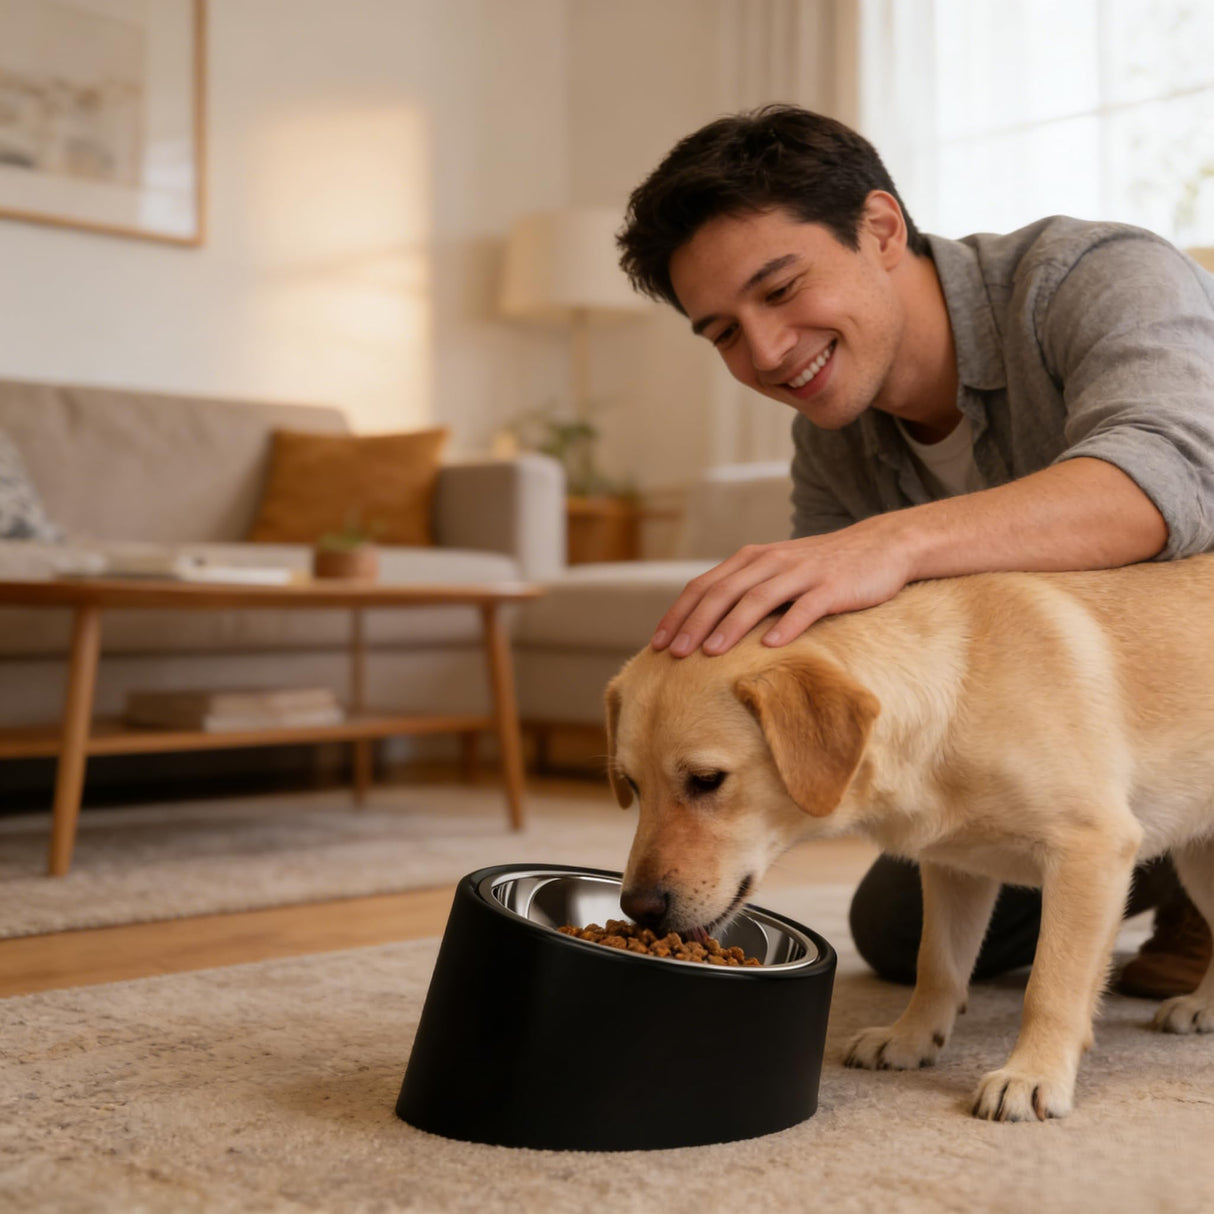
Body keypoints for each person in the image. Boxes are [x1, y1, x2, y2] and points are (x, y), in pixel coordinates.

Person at [615, 103, 1214, 997]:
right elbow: (834, 656)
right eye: (725, 332)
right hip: (1065, 747)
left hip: (1192, 688)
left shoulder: (1097, 275)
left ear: (882, 228)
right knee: (894, 930)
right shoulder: (833, 436)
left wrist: (892, 543)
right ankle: (1138, 841)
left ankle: (1174, 847)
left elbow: (1175, 476)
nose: (767, 352)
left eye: (780, 290)